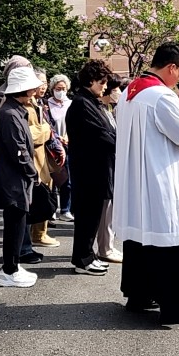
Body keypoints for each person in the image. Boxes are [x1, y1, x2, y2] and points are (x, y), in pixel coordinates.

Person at [113, 42, 179, 325]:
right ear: (172, 67)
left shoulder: (129, 92)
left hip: (136, 178)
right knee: (169, 234)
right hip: (159, 178)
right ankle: (176, 307)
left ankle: (139, 295)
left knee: (140, 235)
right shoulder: (161, 96)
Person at [0, 66, 45, 287]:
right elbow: (19, 151)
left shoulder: (14, 110)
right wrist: (32, 172)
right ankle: (9, 270)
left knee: (17, 224)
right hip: (13, 179)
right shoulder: (10, 114)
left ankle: (12, 266)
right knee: (15, 225)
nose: (34, 91)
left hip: (16, 178)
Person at [64, 60, 117, 275]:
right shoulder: (81, 104)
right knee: (87, 215)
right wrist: (120, 144)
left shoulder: (91, 102)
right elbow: (101, 134)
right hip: (89, 169)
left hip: (96, 167)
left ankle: (87, 255)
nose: (105, 86)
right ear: (90, 81)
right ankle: (83, 259)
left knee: (93, 214)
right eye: (102, 82)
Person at [95, 76, 128, 263]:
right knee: (106, 209)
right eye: (116, 89)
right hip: (104, 165)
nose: (119, 93)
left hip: (112, 164)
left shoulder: (107, 109)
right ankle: (105, 248)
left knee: (110, 208)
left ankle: (108, 245)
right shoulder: (102, 110)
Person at [26, 69, 58, 249]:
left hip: (43, 156)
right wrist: (46, 130)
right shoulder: (26, 104)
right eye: (40, 82)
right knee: (37, 197)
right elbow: (32, 134)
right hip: (33, 157)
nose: (43, 86)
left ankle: (40, 233)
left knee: (45, 194)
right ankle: (36, 235)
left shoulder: (39, 103)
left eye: (45, 82)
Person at [46, 74, 74, 222]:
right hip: (52, 145)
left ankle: (65, 209)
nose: (61, 91)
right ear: (52, 89)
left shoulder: (71, 104)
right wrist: (56, 138)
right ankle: (51, 210)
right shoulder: (47, 104)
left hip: (67, 144)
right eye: (58, 89)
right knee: (52, 178)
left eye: (63, 88)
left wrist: (68, 137)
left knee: (67, 179)